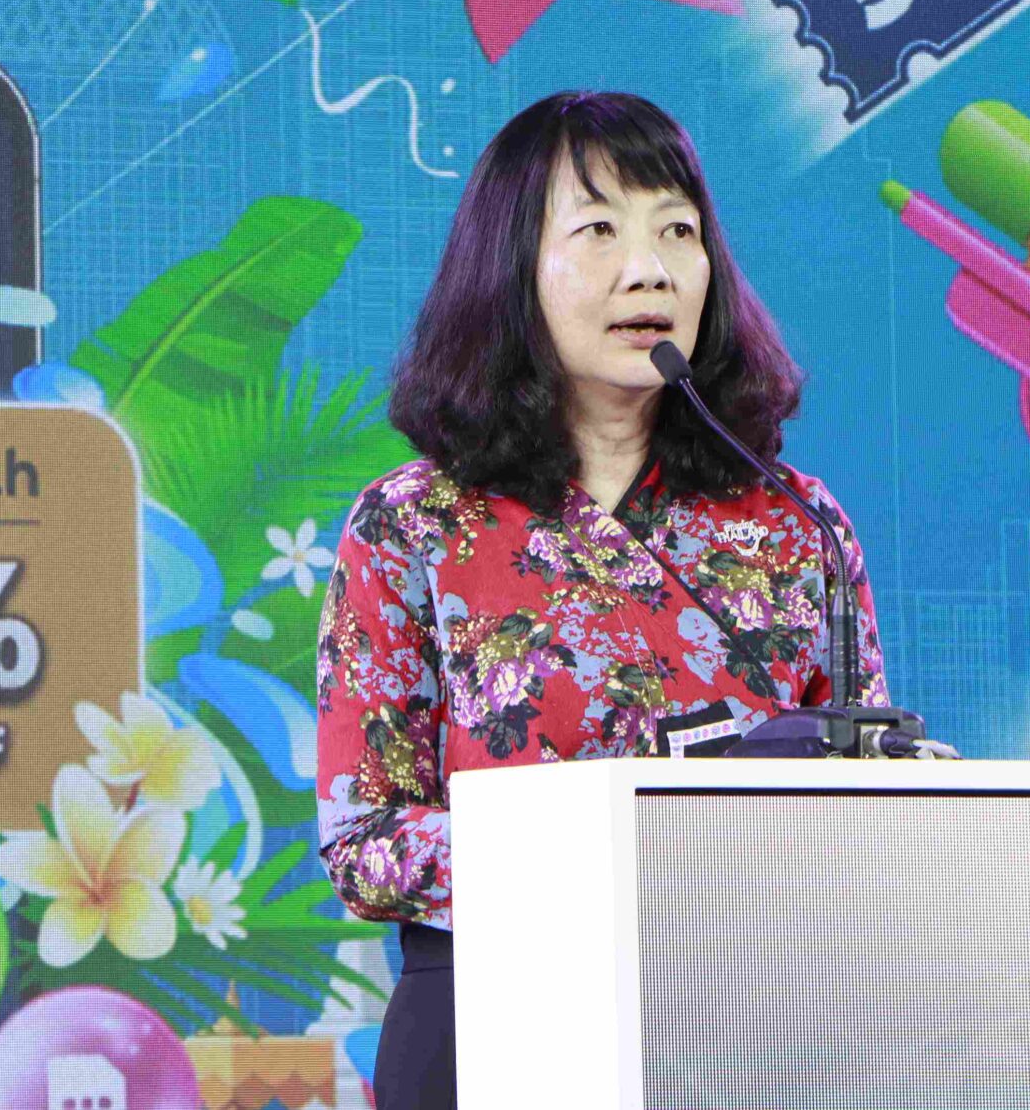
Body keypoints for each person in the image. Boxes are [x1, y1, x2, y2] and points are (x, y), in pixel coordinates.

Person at [314, 91, 889, 1110]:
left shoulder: (797, 524)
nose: (649, 269)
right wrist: (608, 846)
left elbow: (866, 806)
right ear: (512, 270)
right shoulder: (412, 526)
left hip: (748, 1031)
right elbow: (366, 845)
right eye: (599, 231)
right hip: (498, 1020)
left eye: (678, 231)